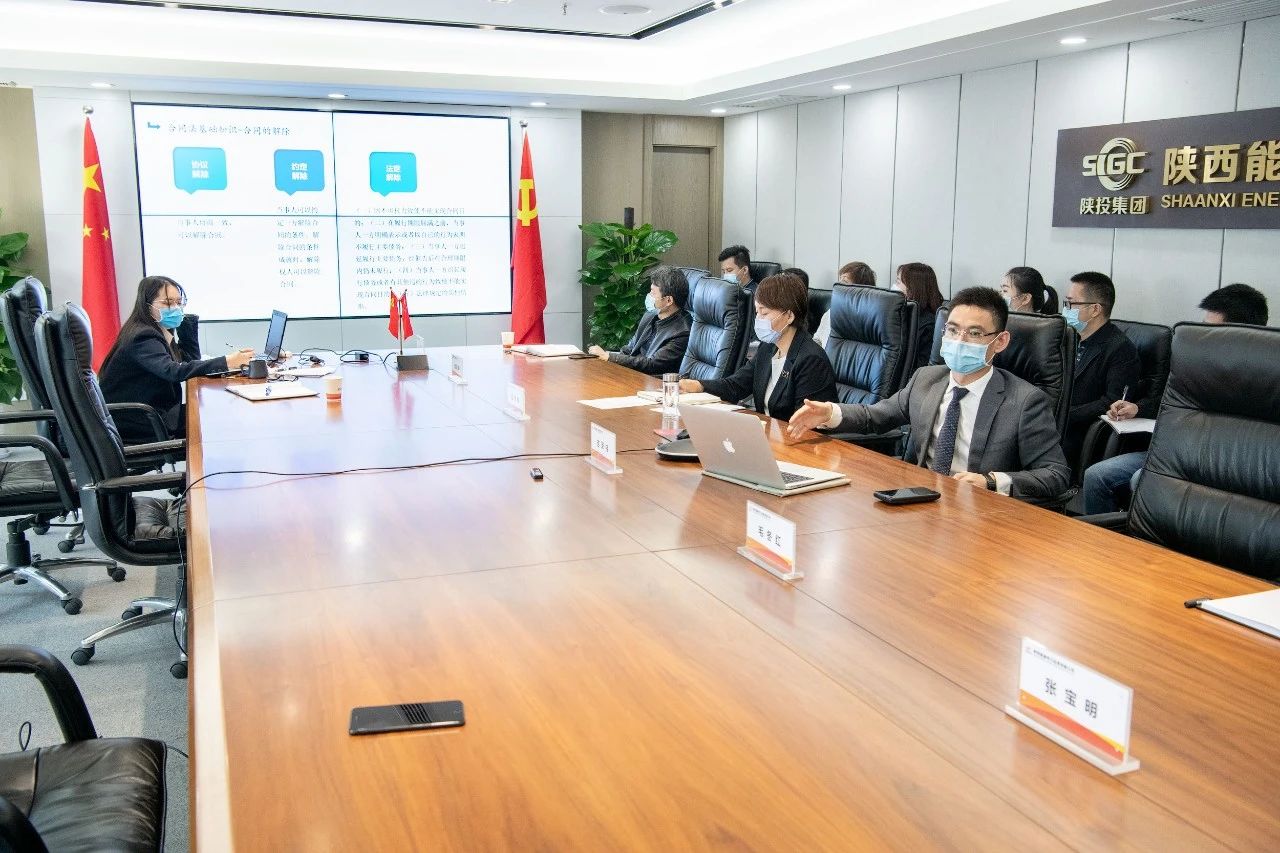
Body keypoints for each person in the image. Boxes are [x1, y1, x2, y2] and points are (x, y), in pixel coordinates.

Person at [787, 286, 1070, 500]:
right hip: (920, 499)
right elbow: (877, 416)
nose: (959, 340)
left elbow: (1055, 474)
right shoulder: (926, 379)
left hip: (979, 513)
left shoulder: (1024, 401)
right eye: (953, 330)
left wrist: (992, 482)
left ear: (1000, 341)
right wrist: (830, 413)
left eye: (974, 333)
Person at [1081, 283, 1270, 513]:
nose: (1203, 337)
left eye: (1213, 331)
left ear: (1243, 334)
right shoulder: (1196, 364)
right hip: (1175, 453)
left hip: (1217, 465)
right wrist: (1137, 408)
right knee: (1097, 476)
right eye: (1203, 328)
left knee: (1141, 480)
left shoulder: (1262, 380)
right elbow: (1167, 402)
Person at [100, 275, 254, 440]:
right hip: (138, 421)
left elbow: (188, 359)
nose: (175, 308)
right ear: (147, 305)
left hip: (149, 414)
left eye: (179, 303)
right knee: (216, 416)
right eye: (168, 303)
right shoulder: (143, 335)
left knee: (215, 411)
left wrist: (186, 323)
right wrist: (227, 361)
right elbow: (173, 371)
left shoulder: (157, 329)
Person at [679, 272, 836, 423]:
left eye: (764, 313)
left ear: (789, 316)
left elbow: (805, 424)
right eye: (757, 312)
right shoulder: (768, 348)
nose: (758, 319)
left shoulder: (811, 360)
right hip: (767, 433)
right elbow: (736, 385)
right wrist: (699, 385)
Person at [1061, 271, 1140, 465]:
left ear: (1095, 309)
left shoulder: (1120, 349)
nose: (1066, 309)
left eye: (1071, 303)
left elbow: (1111, 401)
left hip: (1078, 431)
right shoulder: (1066, 338)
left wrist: (1063, 414)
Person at [588, 266, 691, 377]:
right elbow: (629, 349)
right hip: (632, 374)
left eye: (653, 293)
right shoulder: (650, 315)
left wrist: (610, 357)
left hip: (653, 381)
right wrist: (607, 358)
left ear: (668, 300)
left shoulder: (682, 332)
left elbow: (652, 364)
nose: (649, 296)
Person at [894, 262, 945, 371]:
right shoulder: (901, 314)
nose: (894, 287)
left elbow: (919, 367)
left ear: (913, 287)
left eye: (898, 282)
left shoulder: (928, 324)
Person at [814, 261, 876, 347]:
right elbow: (817, 339)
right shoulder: (831, 312)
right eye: (839, 280)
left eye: (844, 282)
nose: (837, 286)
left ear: (860, 289)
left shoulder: (868, 320)